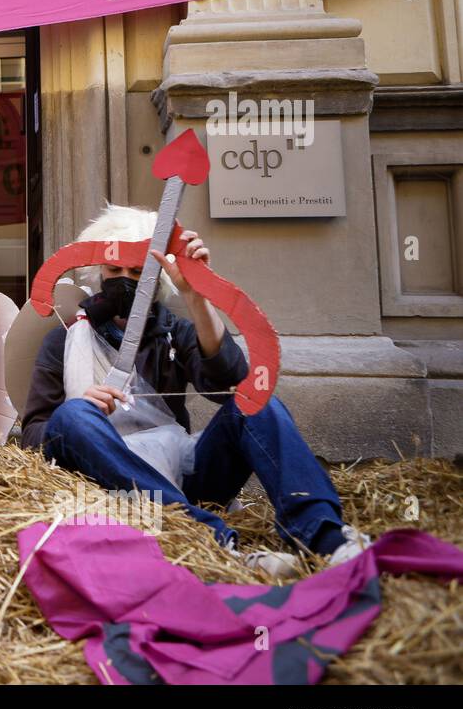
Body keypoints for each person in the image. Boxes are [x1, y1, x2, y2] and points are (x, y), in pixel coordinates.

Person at [19, 204, 370, 574]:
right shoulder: (63, 339)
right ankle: (206, 540)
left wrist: (195, 293)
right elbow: (33, 435)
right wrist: (82, 411)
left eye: (138, 271)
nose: (125, 279)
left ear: (155, 279)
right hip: (106, 485)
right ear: (97, 271)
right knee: (73, 414)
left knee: (255, 404)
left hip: (184, 475)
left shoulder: (174, 331)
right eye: (115, 269)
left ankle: (325, 536)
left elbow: (229, 384)